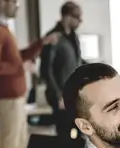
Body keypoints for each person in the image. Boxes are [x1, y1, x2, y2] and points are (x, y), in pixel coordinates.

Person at [0, 0, 59, 148]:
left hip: (15, 97)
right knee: (10, 147)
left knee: (18, 145)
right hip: (7, 98)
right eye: (14, 2)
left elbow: (17, 58)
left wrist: (41, 43)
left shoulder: (4, 29)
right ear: (2, 3)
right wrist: (20, 67)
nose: (18, 5)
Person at [40, 1, 85, 139]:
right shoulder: (53, 37)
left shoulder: (73, 37)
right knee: (64, 134)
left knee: (82, 132)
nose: (80, 22)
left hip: (75, 93)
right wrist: (59, 95)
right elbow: (46, 70)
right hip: (60, 95)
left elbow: (76, 61)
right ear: (67, 17)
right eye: (77, 18)